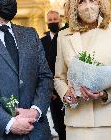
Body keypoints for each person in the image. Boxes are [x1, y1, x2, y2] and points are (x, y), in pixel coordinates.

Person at [0, 0, 53, 140]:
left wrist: (35, 110)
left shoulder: (30, 34)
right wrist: (9, 123)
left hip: (36, 131)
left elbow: (45, 77)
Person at [54, 0, 111, 140]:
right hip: (77, 123)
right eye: (81, 1)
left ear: (100, 3)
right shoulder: (63, 36)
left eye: (93, 0)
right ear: (74, 7)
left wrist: (105, 94)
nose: (88, 6)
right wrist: (66, 94)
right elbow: (59, 77)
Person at [41, 10, 66, 140]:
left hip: (69, 87)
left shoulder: (67, 36)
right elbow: (41, 67)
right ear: (46, 22)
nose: (53, 22)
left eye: (55, 19)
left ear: (60, 20)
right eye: (50, 20)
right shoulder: (42, 41)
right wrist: (48, 89)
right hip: (52, 92)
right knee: (58, 124)